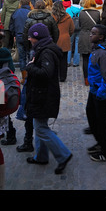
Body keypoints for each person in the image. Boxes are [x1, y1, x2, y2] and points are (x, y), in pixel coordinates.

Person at [25, 23, 72, 174]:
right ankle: (41, 156)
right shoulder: (44, 48)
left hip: (43, 96)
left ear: (37, 38)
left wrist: (30, 67)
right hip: (41, 95)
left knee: (41, 129)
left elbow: (46, 73)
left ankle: (63, 155)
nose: (29, 39)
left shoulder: (46, 52)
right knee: (40, 127)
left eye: (31, 36)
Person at [85, 24, 106, 162]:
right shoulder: (97, 48)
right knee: (92, 115)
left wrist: (101, 92)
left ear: (101, 37)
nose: (90, 35)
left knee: (102, 122)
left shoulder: (103, 54)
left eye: (93, 33)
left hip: (100, 92)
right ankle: (101, 143)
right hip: (95, 89)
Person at [9, 0, 32, 84]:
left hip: (19, 36)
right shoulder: (30, 12)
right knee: (30, 56)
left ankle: (24, 77)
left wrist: (14, 34)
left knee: (22, 58)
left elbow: (11, 26)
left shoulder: (16, 12)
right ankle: (30, 76)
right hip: (29, 37)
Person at [78, 0, 101, 86]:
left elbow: (80, 24)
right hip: (94, 36)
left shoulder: (81, 13)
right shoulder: (97, 13)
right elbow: (99, 25)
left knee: (85, 59)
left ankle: (86, 79)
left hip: (84, 36)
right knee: (95, 58)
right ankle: (94, 77)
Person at [0, 32, 17, 147]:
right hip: (3, 85)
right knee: (3, 111)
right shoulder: (5, 52)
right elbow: (11, 69)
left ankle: (8, 134)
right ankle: (10, 134)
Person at [52, 1, 74, 82]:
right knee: (63, 60)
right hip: (65, 39)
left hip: (55, 40)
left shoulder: (52, 17)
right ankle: (62, 76)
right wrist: (67, 35)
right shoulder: (68, 17)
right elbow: (72, 29)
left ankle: (55, 75)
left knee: (54, 59)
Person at [66, 0, 82, 67]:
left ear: (72, 1)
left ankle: (68, 61)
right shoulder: (82, 9)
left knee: (69, 44)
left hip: (70, 29)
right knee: (77, 45)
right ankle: (76, 62)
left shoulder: (68, 9)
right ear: (79, 1)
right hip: (79, 28)